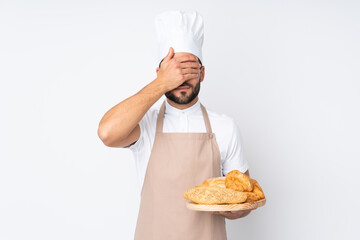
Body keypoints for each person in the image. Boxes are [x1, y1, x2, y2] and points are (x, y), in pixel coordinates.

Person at [98, 10, 252, 240]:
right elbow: (107, 132)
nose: (181, 79)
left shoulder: (225, 127)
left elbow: (245, 198)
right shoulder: (144, 125)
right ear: (159, 74)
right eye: (174, 70)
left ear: (202, 74)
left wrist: (234, 209)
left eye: (189, 70)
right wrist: (161, 83)